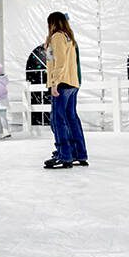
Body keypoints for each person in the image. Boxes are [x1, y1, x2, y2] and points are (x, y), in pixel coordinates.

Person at [42, 12, 88, 169]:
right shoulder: (70, 38)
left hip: (61, 83)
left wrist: (54, 83)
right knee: (71, 119)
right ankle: (79, 153)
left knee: (58, 120)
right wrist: (47, 49)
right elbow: (56, 60)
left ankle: (64, 155)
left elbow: (59, 63)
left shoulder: (57, 37)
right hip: (72, 83)